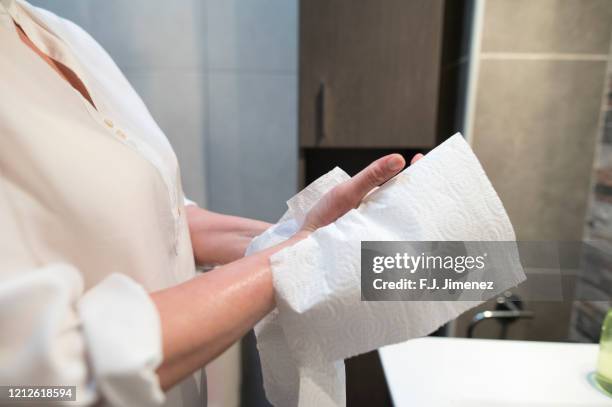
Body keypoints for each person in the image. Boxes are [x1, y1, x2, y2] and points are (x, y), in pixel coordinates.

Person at [0, 0, 422, 405]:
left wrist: (313, 235)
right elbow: (47, 374)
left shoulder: (60, 35)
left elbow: (169, 216)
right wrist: (296, 258)